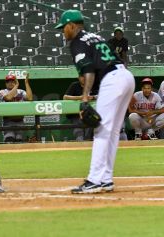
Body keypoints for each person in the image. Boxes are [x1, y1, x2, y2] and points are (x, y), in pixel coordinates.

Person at [55, 10, 135, 194]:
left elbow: (89, 70)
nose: (62, 32)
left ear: (72, 26)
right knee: (113, 132)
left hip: (112, 80)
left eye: (63, 28)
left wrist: (84, 98)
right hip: (126, 76)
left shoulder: (77, 41)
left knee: (100, 130)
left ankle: (94, 180)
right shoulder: (95, 37)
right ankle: (106, 179)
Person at [0, 74, 33, 143]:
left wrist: (26, 83)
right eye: (8, 81)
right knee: (9, 140)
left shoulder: (21, 92)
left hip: (20, 121)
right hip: (8, 121)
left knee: (19, 141)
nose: (10, 83)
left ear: (15, 82)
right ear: (6, 83)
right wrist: (16, 86)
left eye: (12, 81)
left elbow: (30, 98)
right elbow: (8, 98)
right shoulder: (2, 91)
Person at [63, 76, 97, 141]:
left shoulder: (92, 85)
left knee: (88, 135)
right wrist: (80, 97)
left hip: (89, 114)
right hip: (76, 115)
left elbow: (99, 95)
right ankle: (79, 143)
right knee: (79, 135)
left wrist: (93, 97)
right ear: (78, 78)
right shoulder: (75, 85)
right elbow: (65, 97)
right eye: (82, 77)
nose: (84, 78)